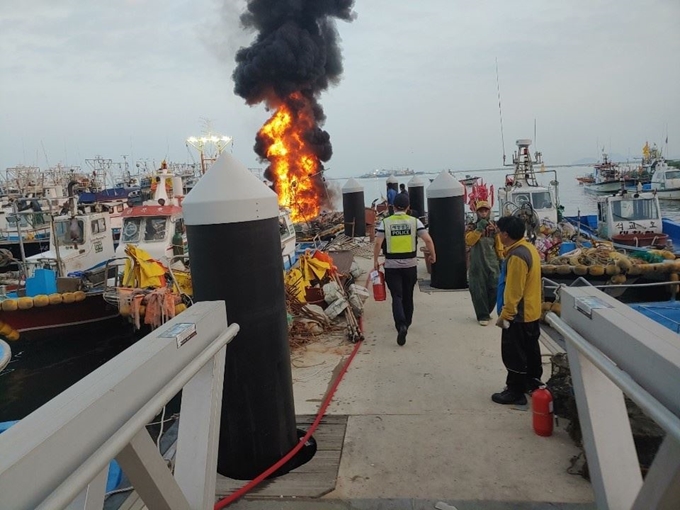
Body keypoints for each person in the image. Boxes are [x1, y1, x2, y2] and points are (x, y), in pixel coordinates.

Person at [492, 215, 543, 405]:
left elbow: (514, 290)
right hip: (532, 312)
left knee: (514, 353)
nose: (497, 235)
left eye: (499, 232)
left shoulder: (517, 256)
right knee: (531, 351)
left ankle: (515, 390)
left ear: (505, 234)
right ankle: (533, 382)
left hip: (518, 316)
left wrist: (506, 315)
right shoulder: (529, 249)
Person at [373, 193, 436, 346]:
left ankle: (400, 325)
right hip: (410, 265)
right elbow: (427, 239)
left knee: (397, 296)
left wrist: (375, 260)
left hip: (392, 266)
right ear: (408, 208)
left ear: (393, 206)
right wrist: (433, 255)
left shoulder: (385, 222)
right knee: (408, 295)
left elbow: (377, 243)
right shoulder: (414, 222)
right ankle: (407, 323)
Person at [465, 200, 503, 326]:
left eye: (486, 210)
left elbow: (499, 244)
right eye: (481, 211)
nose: (483, 213)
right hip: (477, 262)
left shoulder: (495, 228)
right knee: (478, 289)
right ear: (477, 212)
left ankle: (487, 310)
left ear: (489, 212)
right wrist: (480, 228)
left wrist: (501, 258)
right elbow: (469, 241)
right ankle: (482, 314)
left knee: (495, 287)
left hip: (492, 261)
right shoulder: (472, 226)